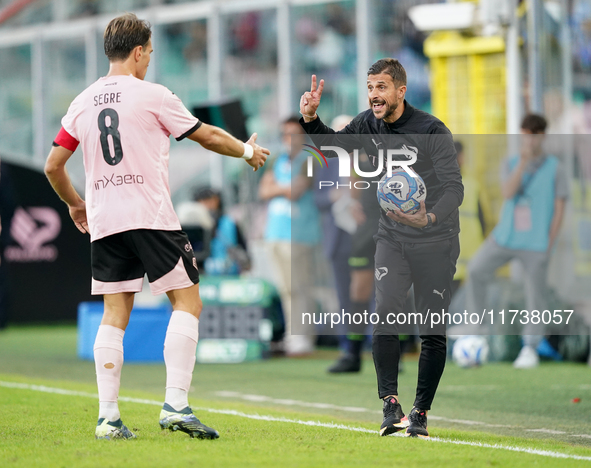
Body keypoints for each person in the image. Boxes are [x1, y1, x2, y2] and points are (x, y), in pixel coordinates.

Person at [44, 13, 269, 440]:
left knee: (114, 314)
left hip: (106, 221)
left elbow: (53, 165)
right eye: (148, 52)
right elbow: (205, 136)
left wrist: (77, 204)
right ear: (137, 52)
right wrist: (246, 151)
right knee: (187, 304)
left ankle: (108, 418)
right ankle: (176, 405)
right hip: (150, 217)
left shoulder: (82, 101)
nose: (149, 59)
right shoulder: (153, 95)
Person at [299, 58, 463, 438]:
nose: (374, 94)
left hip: (436, 238)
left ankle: (420, 412)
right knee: (385, 313)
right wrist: (310, 119)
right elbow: (332, 147)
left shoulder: (431, 130)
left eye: (382, 87)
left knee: (431, 330)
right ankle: (391, 405)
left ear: (401, 91)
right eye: (370, 87)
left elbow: (455, 187)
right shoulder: (366, 124)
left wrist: (431, 219)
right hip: (391, 236)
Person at [465, 114, 568, 369]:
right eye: (524, 134)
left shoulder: (556, 168)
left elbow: (559, 208)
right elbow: (507, 192)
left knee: (536, 294)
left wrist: (549, 243)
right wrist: (522, 163)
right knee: (476, 269)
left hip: (536, 242)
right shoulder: (511, 162)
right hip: (506, 236)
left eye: (532, 135)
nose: (528, 140)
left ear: (542, 136)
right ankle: (477, 330)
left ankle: (530, 348)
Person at [258, 116, 320, 356]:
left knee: (300, 286)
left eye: (294, 133)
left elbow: (297, 190)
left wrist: (278, 189)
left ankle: (304, 336)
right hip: (275, 232)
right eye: (285, 134)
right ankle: (292, 334)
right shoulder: (278, 160)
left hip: (300, 233)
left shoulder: (310, 158)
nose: (289, 139)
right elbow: (263, 191)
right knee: (285, 288)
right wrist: (280, 189)